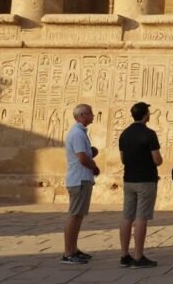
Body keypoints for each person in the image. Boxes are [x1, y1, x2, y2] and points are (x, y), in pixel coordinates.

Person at [117, 102, 162, 269]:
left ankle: (124, 255)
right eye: (148, 112)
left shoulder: (124, 134)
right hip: (145, 179)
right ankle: (138, 256)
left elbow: (122, 158)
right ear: (145, 115)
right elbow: (157, 159)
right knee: (141, 218)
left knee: (127, 217)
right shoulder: (149, 134)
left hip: (129, 179)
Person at [62, 103, 100, 265]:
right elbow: (82, 158)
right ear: (83, 115)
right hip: (79, 179)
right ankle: (68, 252)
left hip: (81, 179)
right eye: (91, 113)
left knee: (78, 216)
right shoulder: (77, 133)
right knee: (75, 216)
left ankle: (74, 249)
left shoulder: (80, 133)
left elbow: (85, 153)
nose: (93, 116)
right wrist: (95, 167)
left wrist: (92, 152)